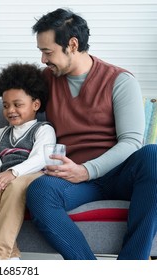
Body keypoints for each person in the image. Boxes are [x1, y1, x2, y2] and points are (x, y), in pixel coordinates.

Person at [25, 8, 157, 260]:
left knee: (153, 155)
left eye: (47, 51)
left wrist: (86, 170)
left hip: (119, 172)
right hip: (75, 179)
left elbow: (131, 142)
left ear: (72, 45)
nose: (43, 59)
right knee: (40, 191)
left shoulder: (120, 80)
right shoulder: (45, 80)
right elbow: (18, 112)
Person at [0, 62, 56, 260]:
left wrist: (14, 173)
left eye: (18, 104)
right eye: (5, 105)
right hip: (8, 179)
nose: (10, 110)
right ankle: (11, 256)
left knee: (16, 184)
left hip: (33, 177)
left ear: (35, 104)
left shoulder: (44, 129)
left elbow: (41, 158)